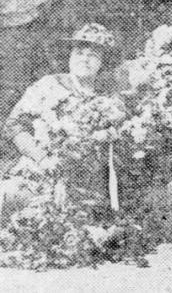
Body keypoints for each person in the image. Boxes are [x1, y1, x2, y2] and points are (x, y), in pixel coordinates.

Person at [1, 24, 124, 222]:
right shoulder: (48, 85)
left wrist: (109, 135)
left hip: (84, 184)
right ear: (70, 56)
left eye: (93, 55)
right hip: (38, 173)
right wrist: (41, 158)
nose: (84, 59)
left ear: (102, 62)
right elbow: (14, 126)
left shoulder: (110, 100)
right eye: (79, 52)